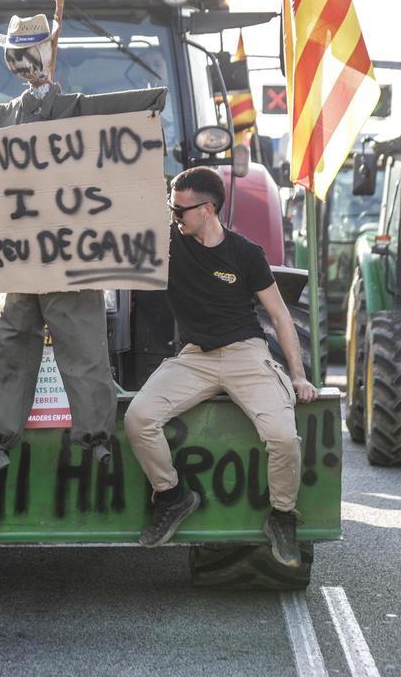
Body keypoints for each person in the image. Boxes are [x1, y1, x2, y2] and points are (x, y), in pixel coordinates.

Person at [0, 13, 166, 469]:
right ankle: (1, 437)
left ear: (48, 55)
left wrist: (150, 113)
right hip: (19, 264)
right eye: (13, 55)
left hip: (72, 263)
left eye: (27, 53)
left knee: (84, 349)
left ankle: (95, 437)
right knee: (4, 347)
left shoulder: (78, 110)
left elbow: (137, 109)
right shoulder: (3, 117)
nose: (19, 63)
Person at [123, 166, 318, 567]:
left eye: (179, 210)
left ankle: (282, 516)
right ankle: (173, 496)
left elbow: (280, 316)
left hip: (246, 353)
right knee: (138, 417)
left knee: (282, 435)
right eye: (170, 208)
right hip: (195, 357)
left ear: (207, 209)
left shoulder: (245, 253)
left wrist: (298, 376)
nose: (173, 216)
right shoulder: (166, 244)